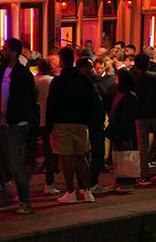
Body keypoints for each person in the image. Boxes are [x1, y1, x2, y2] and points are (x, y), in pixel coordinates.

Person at [0, 38, 37, 214]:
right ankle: (7, 189)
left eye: (5, 49)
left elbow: (24, 100)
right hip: (3, 122)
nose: (2, 51)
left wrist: (13, 117)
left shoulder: (22, 74)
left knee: (15, 163)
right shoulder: (4, 70)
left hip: (16, 124)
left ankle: (25, 201)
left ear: (14, 52)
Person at [47, 48, 97, 204]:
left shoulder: (58, 81)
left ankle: (71, 192)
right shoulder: (84, 79)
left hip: (62, 122)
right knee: (82, 157)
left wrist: (49, 124)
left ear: (62, 61)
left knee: (66, 158)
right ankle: (87, 191)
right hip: (81, 122)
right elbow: (93, 100)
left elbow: (51, 104)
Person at [133, 52, 156, 185]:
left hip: (141, 115)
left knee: (142, 146)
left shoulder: (135, 78)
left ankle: (145, 174)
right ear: (148, 63)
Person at [78, 57, 110, 194]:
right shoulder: (88, 82)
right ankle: (90, 183)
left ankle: (85, 184)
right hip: (91, 122)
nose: (92, 69)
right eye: (89, 66)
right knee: (95, 152)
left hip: (90, 121)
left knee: (89, 153)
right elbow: (104, 96)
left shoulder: (90, 81)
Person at [107, 68, 138, 190]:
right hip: (117, 129)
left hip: (123, 130)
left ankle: (128, 182)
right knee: (119, 156)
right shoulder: (122, 93)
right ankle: (120, 180)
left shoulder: (128, 95)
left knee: (125, 156)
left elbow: (127, 117)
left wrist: (124, 134)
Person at [35, 59, 59, 197]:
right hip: (50, 120)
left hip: (37, 120)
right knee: (51, 153)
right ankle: (49, 182)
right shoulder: (52, 81)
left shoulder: (35, 81)